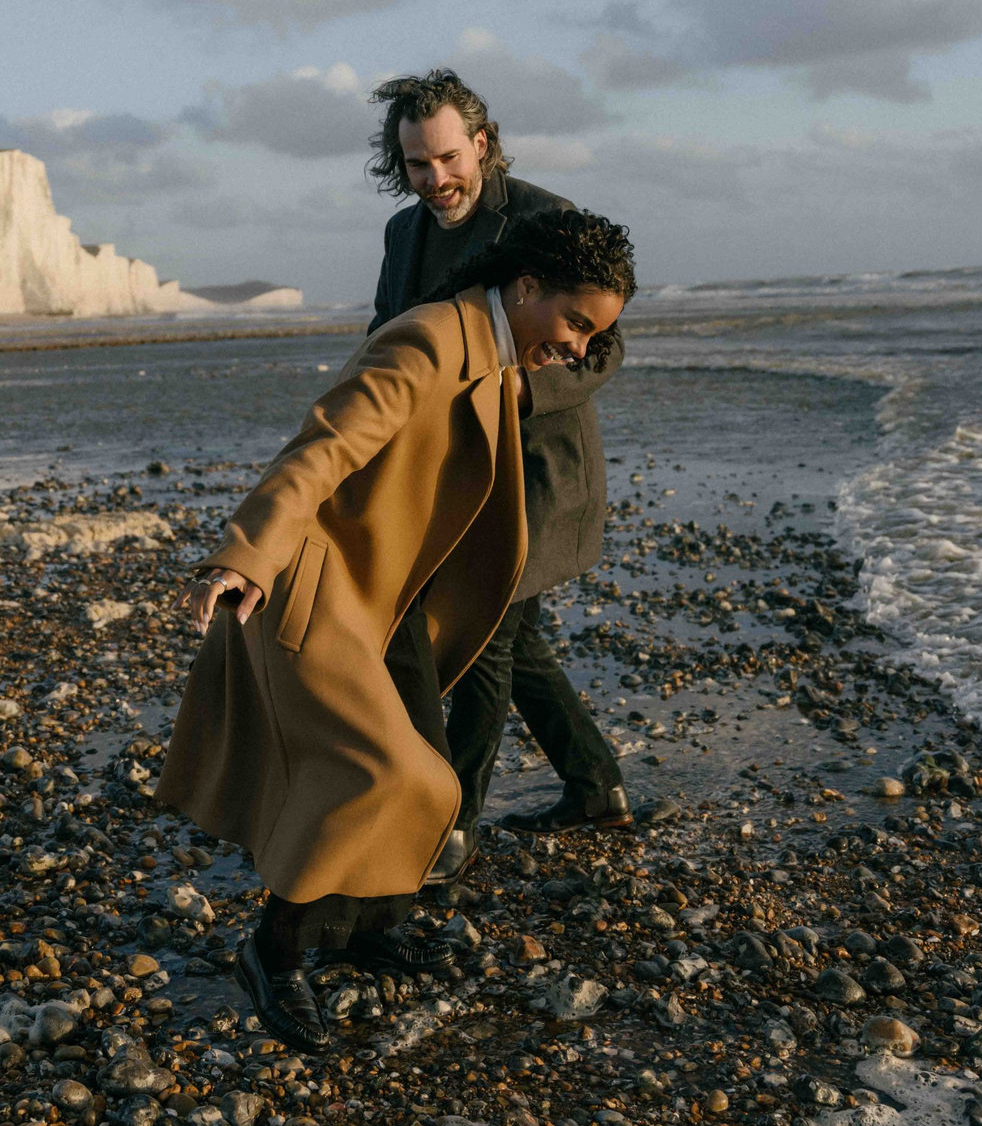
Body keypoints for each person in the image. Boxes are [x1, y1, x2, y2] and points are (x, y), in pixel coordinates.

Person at [160, 211, 638, 1050]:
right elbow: (323, 447)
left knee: (435, 779)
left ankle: (373, 929)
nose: (577, 349)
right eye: (576, 324)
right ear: (526, 288)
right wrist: (244, 554)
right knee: (383, 773)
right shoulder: (428, 340)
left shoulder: (495, 350)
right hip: (316, 584)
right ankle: (273, 952)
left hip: (393, 595)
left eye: (595, 333)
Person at [364, 70, 634, 876]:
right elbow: (389, 336)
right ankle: (597, 788)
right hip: (454, 472)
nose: (435, 179)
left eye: (447, 157)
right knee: (521, 644)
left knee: (487, 639)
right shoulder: (403, 236)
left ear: (481, 143)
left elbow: (606, 349)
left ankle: (453, 829)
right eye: (417, 164)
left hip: (542, 474)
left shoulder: (550, 220)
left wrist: (521, 389)